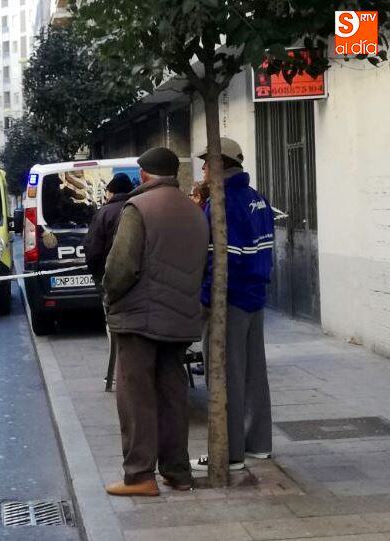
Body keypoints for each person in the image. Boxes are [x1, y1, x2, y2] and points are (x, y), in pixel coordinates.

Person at [102, 147, 209, 497]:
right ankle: (178, 472)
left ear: (144, 174)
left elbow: (121, 266)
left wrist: (110, 298)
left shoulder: (139, 207)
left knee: (136, 398)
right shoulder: (194, 211)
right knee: (172, 396)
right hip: (179, 319)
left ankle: (139, 476)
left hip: (140, 319)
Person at [193, 137, 275, 472]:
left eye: (206, 162)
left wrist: (206, 299)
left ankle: (229, 453)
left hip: (230, 300)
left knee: (224, 376)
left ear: (219, 164)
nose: (203, 168)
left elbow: (220, 260)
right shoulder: (258, 199)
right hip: (255, 297)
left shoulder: (221, 203)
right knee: (254, 374)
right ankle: (258, 444)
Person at [83, 173, 134, 392]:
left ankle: (118, 373)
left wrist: (96, 274)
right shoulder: (137, 208)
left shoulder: (104, 213)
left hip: (109, 278)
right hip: (135, 278)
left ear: (111, 192)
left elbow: (93, 248)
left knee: (113, 325)